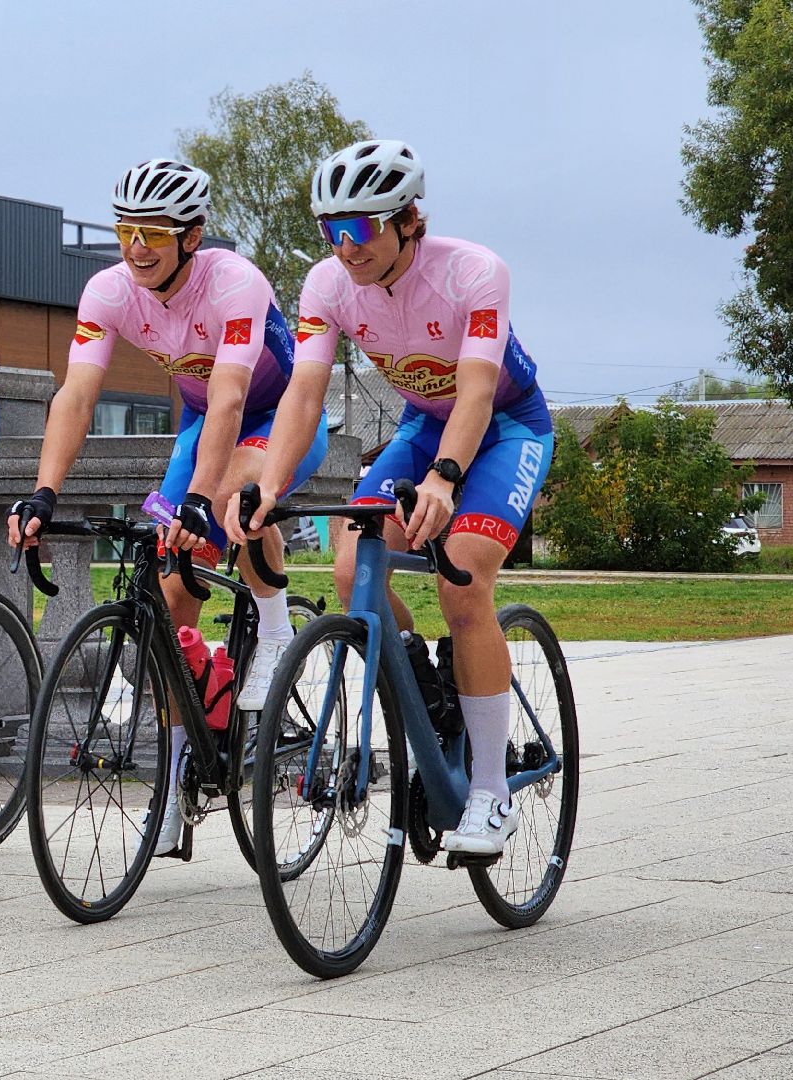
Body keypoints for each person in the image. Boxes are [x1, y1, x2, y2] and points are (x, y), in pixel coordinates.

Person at [239, 139, 554, 857]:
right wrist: (267, 483)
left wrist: (446, 476)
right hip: (422, 426)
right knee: (352, 572)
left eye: (358, 229)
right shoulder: (327, 284)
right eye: (330, 230)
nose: (343, 247)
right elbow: (305, 392)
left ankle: (489, 792)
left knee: (463, 578)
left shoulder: (473, 272)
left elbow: (477, 390)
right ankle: (433, 699)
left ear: (408, 219)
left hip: (505, 427)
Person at [6, 159, 329, 855]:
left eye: (153, 231)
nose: (136, 246)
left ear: (194, 234)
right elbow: (77, 396)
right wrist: (43, 490)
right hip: (199, 422)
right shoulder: (109, 291)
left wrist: (195, 499)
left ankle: (273, 632)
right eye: (126, 230)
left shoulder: (235, 283)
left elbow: (235, 398)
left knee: (236, 492)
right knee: (169, 591)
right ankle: (181, 772)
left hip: (276, 419)